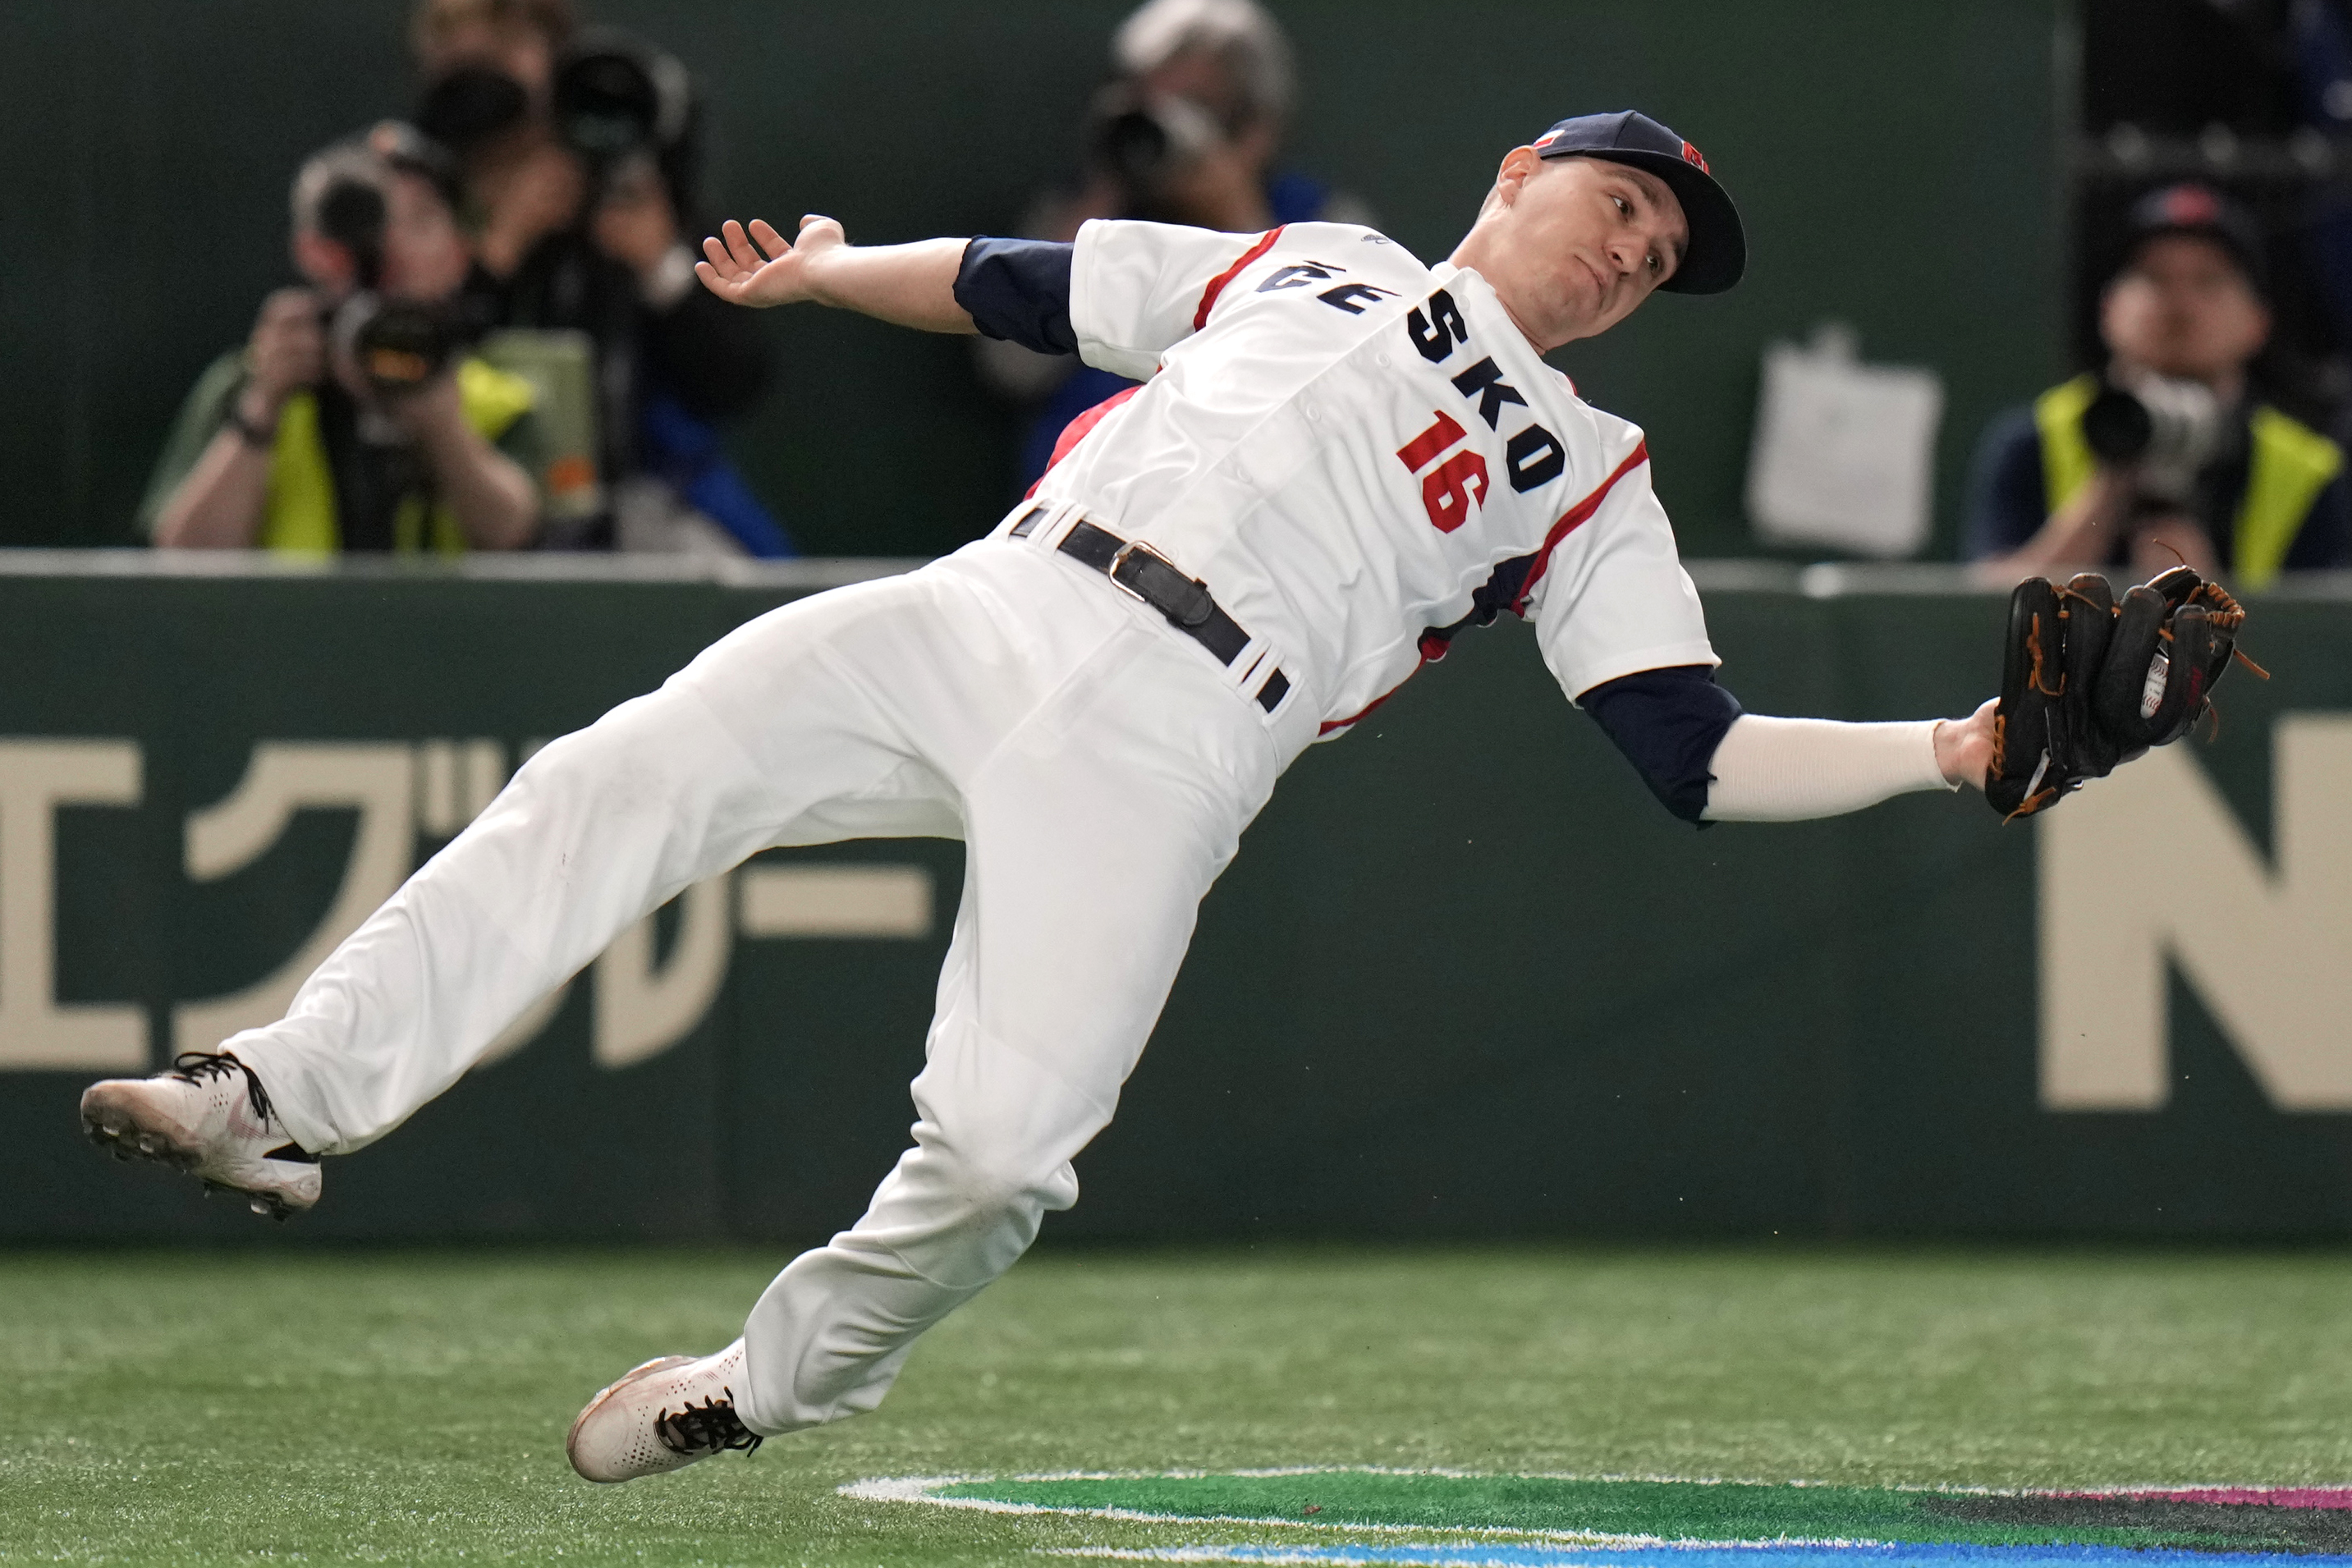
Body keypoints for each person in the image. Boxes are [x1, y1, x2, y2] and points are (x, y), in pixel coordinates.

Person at [84, 110, 2014, 1482]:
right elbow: (1033, 286)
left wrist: (1952, 749)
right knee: (621, 768)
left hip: (1180, 735)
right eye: (1616, 206)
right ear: (1517, 174)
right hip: (1000, 595)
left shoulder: (1591, 468)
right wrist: (837, 280)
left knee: (1004, 1156)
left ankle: (765, 1384)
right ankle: (274, 1090)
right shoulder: (1310, 259)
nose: (1625, 257)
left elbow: (1698, 748)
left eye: (1656, 261)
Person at [410, 0, 786, 554]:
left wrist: (657, 264)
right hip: (459, 509)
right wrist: (500, 249)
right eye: (464, 62)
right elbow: (406, 356)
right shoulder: (421, 195)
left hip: (635, 516)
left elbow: (735, 379)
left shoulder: (627, 184)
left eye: (507, 50)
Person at [978, 0, 1373, 491]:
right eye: (1148, 101)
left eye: (1192, 107)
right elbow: (1010, 367)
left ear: (1255, 128)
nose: (1164, 121)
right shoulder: (1088, 214)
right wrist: (1102, 196)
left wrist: (1232, 212)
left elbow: (1343, 375)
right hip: (1084, 491)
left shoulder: (1321, 223)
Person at [141, 126, 540, 554]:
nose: (392, 249)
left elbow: (517, 539)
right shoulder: (245, 385)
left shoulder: (498, 398)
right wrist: (261, 409)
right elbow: (184, 561)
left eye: (419, 221)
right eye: (366, 226)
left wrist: (440, 423)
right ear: (313, 251)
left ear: (460, 252)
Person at [1965, 181, 2350, 587]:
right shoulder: (2035, 439)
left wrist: (2208, 601)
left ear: (2259, 321)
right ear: (2108, 308)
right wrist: (2107, 493)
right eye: (2153, 277)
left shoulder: (2306, 471)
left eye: (2209, 280)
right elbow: (1975, 616)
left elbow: (2319, 638)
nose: (2179, 304)